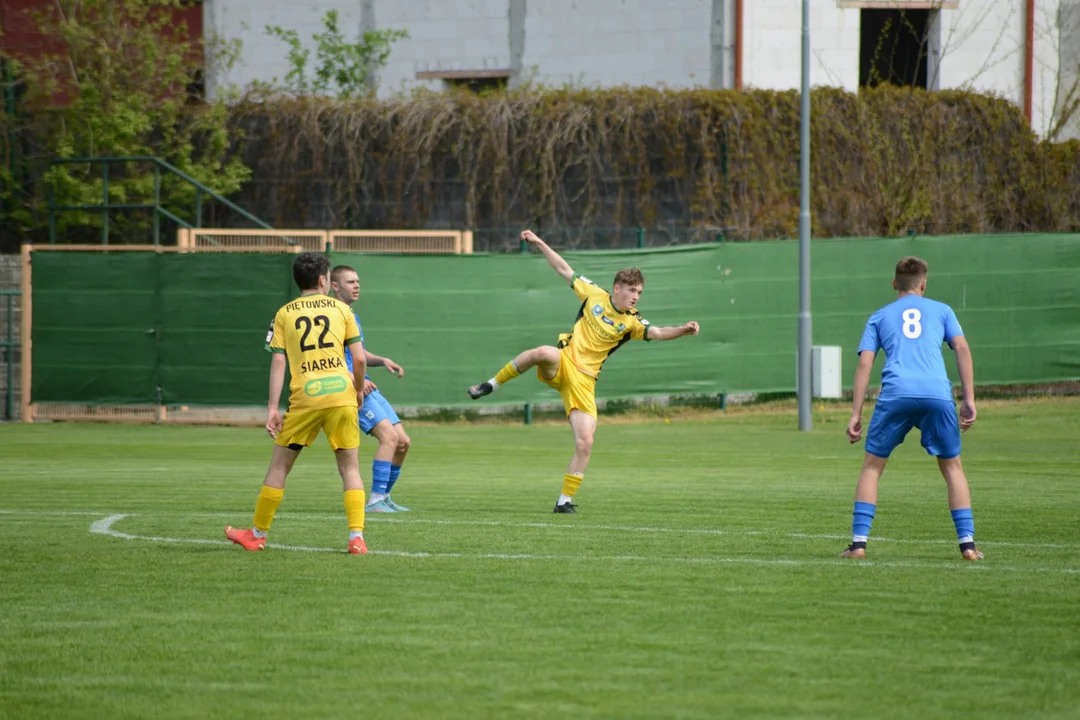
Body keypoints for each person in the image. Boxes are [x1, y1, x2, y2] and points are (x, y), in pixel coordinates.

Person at [468, 229, 700, 513]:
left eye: (639, 292)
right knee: (543, 352)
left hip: (584, 383)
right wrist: (540, 242)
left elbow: (660, 332)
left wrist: (684, 330)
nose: (636, 297)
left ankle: (563, 502)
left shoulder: (632, 323)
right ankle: (491, 385)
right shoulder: (594, 295)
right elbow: (564, 269)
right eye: (631, 290)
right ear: (617, 288)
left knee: (586, 442)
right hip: (564, 362)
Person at [225, 252, 370, 555]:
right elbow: (358, 358)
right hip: (341, 394)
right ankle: (356, 537)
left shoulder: (284, 313)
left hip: (305, 396)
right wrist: (357, 392)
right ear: (322, 280)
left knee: (279, 467)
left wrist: (271, 409)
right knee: (350, 468)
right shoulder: (342, 310)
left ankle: (257, 535)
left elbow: (278, 362)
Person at [842, 256, 982, 561]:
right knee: (952, 467)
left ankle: (858, 544)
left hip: (896, 394)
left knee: (872, 467)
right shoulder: (942, 310)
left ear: (894, 284)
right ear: (924, 284)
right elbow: (962, 347)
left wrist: (856, 413)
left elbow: (866, 362)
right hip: (936, 393)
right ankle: (968, 545)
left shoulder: (880, 316)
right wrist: (969, 398)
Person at [329, 265, 412, 513]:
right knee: (389, 437)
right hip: (352, 389)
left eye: (358, 281)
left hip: (366, 385)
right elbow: (332, 356)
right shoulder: (334, 315)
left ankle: (384, 497)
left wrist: (382, 360)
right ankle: (375, 501)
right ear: (335, 286)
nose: (356, 286)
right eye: (350, 282)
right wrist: (357, 380)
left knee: (403, 442)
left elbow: (358, 353)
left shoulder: (352, 315)